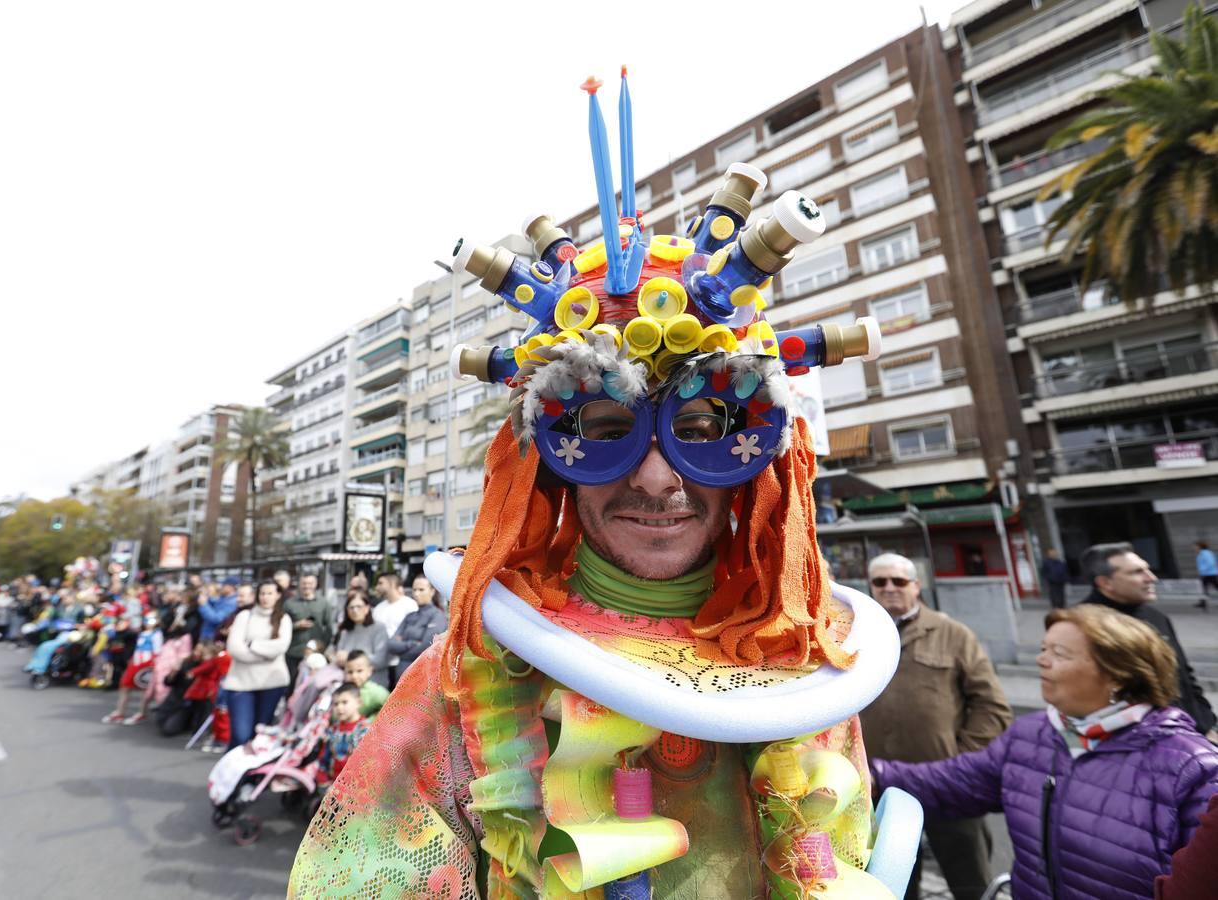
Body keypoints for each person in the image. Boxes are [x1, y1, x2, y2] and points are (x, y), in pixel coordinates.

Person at [289, 92, 914, 899]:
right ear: (547, 460)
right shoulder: (471, 672)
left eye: (700, 427)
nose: (658, 477)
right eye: (609, 428)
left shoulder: (808, 671)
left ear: (759, 456)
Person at [871, 604, 1218, 899]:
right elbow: (954, 782)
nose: (1041, 661)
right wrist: (870, 775)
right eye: (1043, 649)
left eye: (1059, 654)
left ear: (1118, 675)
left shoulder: (1191, 767)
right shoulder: (1032, 734)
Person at [859, 552, 1012, 900]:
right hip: (880, 786)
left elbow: (991, 705)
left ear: (916, 585)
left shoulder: (952, 633)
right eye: (880, 582)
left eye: (898, 581)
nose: (889, 588)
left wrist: (962, 762)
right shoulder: (861, 633)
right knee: (893, 883)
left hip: (946, 785)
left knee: (970, 878)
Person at [1079, 542, 1216, 736]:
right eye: (1137, 572)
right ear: (1104, 582)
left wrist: (1206, 721)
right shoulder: (1079, 626)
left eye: (1148, 570)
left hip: (1191, 733)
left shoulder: (1157, 617)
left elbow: (1184, 676)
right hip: (1137, 743)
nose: (1151, 578)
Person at [220, 580, 292, 750]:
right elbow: (234, 648)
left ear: (278, 595)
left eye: (270, 593)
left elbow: (280, 647)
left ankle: (252, 776)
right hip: (241, 683)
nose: (266, 597)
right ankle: (231, 772)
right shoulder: (244, 616)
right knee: (241, 735)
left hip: (272, 683)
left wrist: (252, 645)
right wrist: (264, 655)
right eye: (262, 593)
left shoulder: (283, 618)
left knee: (260, 737)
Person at [102, 611, 162, 725]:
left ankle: (141, 713)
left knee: (144, 688)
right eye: (147, 619)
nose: (148, 622)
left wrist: (153, 665)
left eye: (151, 619)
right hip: (135, 661)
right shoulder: (142, 633)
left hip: (147, 663)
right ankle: (119, 712)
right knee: (125, 685)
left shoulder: (157, 634)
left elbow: (157, 651)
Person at [385, 574, 447, 683]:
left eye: (421, 590)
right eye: (414, 590)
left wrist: (403, 650)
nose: (416, 593)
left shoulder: (437, 616)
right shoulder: (410, 616)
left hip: (423, 676)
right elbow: (391, 644)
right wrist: (412, 644)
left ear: (432, 591)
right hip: (401, 677)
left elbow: (427, 646)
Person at [315, 682, 372, 789]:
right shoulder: (332, 731)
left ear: (358, 702)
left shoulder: (366, 730)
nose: (339, 707)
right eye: (336, 704)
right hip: (333, 786)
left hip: (358, 788)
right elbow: (324, 759)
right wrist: (324, 782)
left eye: (344, 702)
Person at [285, 573, 333, 693]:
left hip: (316, 655)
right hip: (294, 652)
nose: (307, 586)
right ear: (299, 585)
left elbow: (329, 627)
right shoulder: (289, 603)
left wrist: (323, 646)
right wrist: (296, 625)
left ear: (315, 584)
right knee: (292, 687)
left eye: (310, 583)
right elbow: (280, 626)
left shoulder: (324, 603)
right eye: (304, 583)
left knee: (314, 687)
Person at [332, 592, 390, 688]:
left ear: (367, 608)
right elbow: (339, 655)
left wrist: (350, 657)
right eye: (351, 607)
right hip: (348, 680)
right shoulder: (345, 631)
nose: (355, 610)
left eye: (359, 607)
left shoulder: (379, 628)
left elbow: (380, 660)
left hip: (372, 682)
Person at [341, 650, 389, 719]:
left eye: (359, 671)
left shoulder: (375, 691)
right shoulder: (343, 691)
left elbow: (392, 707)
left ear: (369, 671)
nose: (354, 676)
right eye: (350, 672)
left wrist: (372, 720)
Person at [1196, 541, 1218, 611]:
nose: (1194, 548)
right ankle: (1203, 602)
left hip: (1209, 573)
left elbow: (1211, 563)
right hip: (1206, 573)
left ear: (1200, 546)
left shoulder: (1206, 553)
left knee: (1208, 587)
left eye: (1196, 546)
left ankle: (1203, 602)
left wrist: (1203, 569)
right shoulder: (1202, 553)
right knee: (1204, 588)